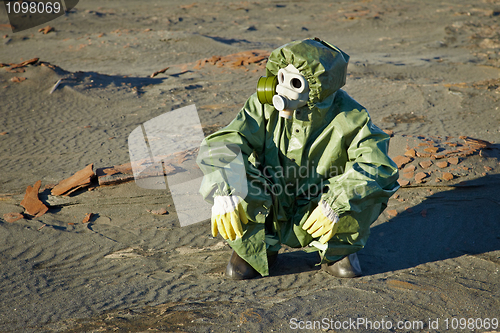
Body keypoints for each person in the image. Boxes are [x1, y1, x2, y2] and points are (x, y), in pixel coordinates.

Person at [197, 37, 399, 280]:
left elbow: (376, 165)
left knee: (367, 187)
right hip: (270, 197)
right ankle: (257, 245)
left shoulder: (352, 116)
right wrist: (225, 189)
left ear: (318, 89)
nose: (282, 90)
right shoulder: (262, 106)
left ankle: (337, 247)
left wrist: (336, 203)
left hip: (319, 201)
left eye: (295, 83)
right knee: (232, 175)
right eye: (281, 78)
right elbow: (224, 142)